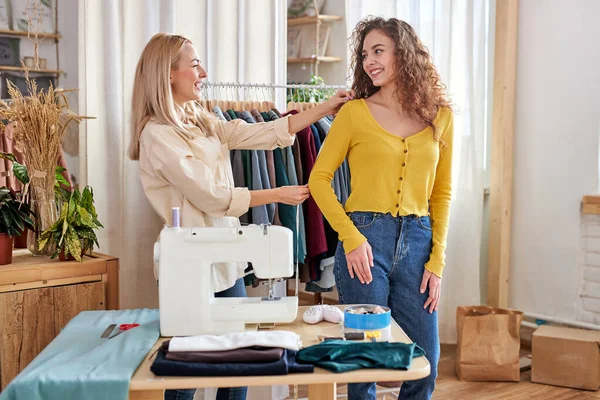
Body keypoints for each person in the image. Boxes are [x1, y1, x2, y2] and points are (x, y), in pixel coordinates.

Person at [128, 33, 353, 400]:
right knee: (189, 368)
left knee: (240, 360)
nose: (204, 71)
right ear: (168, 73)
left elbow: (260, 131)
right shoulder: (157, 135)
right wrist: (277, 195)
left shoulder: (199, 119)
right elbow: (212, 197)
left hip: (224, 256)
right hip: (189, 265)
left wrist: (324, 109)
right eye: (195, 63)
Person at [308, 17, 453, 400]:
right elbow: (318, 180)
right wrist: (352, 238)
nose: (369, 61)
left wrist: (437, 261)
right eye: (364, 54)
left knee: (427, 362)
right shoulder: (354, 114)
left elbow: (443, 193)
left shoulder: (441, 117)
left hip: (419, 243)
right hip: (365, 241)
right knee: (365, 364)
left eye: (378, 51)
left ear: (403, 54)